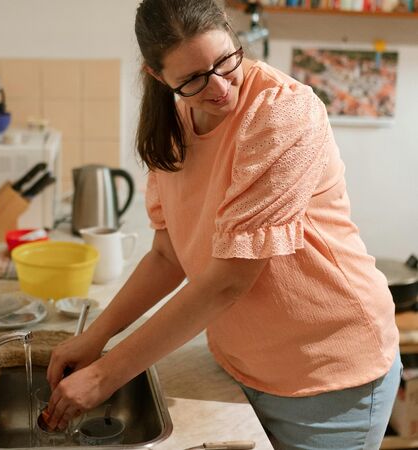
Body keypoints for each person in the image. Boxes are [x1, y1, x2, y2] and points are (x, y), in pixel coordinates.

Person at [45, 0, 401, 448]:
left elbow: (230, 280)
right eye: (192, 79)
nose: (219, 87)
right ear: (158, 77)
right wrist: (94, 338)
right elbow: (167, 253)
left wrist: (106, 373)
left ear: (233, 36)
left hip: (329, 370)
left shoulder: (281, 112)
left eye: (225, 61)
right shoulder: (172, 125)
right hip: (239, 363)